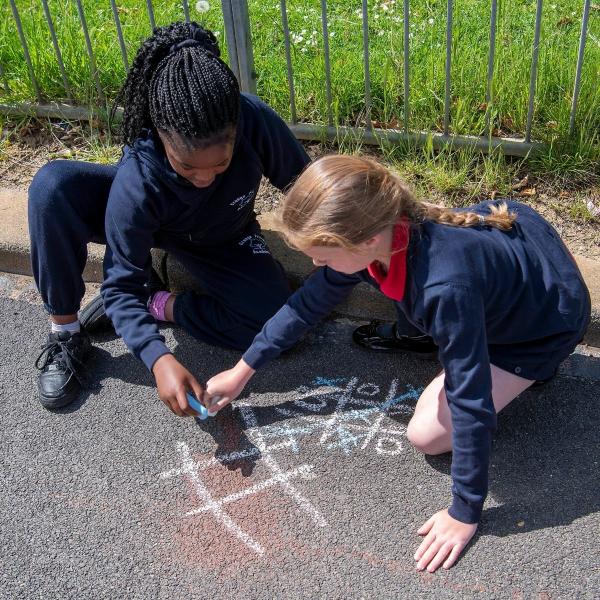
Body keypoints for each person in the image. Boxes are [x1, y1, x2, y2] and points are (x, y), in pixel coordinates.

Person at [203, 154, 591, 572]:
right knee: (423, 307)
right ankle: (453, 343)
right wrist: (244, 370)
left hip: (545, 324)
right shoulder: (390, 229)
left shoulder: (445, 288)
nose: (317, 264)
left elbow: (470, 398)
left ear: (366, 240)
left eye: (324, 257)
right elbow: (307, 304)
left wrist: (465, 512)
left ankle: (537, 369)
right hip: (520, 237)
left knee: (425, 435)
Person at [28, 21, 311, 414]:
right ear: (161, 134)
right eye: (186, 167)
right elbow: (118, 285)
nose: (203, 178)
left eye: (220, 165)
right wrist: (157, 358)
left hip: (220, 237)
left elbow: (309, 186)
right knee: (52, 188)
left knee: (279, 320)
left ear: (236, 129)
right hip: (152, 220)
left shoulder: (254, 119)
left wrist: (326, 237)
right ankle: (66, 333)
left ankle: (160, 302)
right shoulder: (138, 178)